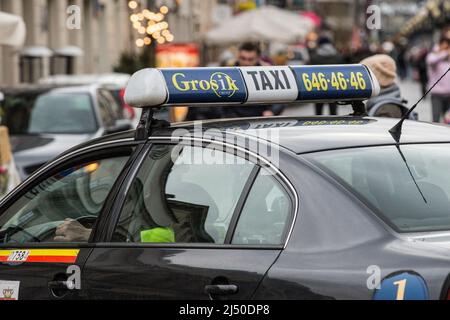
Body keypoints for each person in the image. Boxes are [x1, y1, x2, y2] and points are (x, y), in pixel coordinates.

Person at [224, 42, 278, 118]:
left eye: (250, 59)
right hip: (234, 119)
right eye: (243, 58)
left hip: (260, 119)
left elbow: (279, 98)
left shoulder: (267, 72)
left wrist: (272, 111)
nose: (246, 62)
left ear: (258, 58)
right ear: (237, 56)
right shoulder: (228, 73)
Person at [309, 37, 344, 115]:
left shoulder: (315, 57)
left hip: (318, 87)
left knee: (318, 112)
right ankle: (334, 126)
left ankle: (318, 126)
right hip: (334, 87)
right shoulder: (338, 56)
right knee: (333, 112)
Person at [426, 36, 450, 123]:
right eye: (444, 46)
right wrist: (445, 53)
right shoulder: (433, 55)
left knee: (448, 121)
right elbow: (431, 61)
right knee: (435, 120)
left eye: (447, 47)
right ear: (439, 45)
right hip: (437, 94)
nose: (446, 49)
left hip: (449, 94)